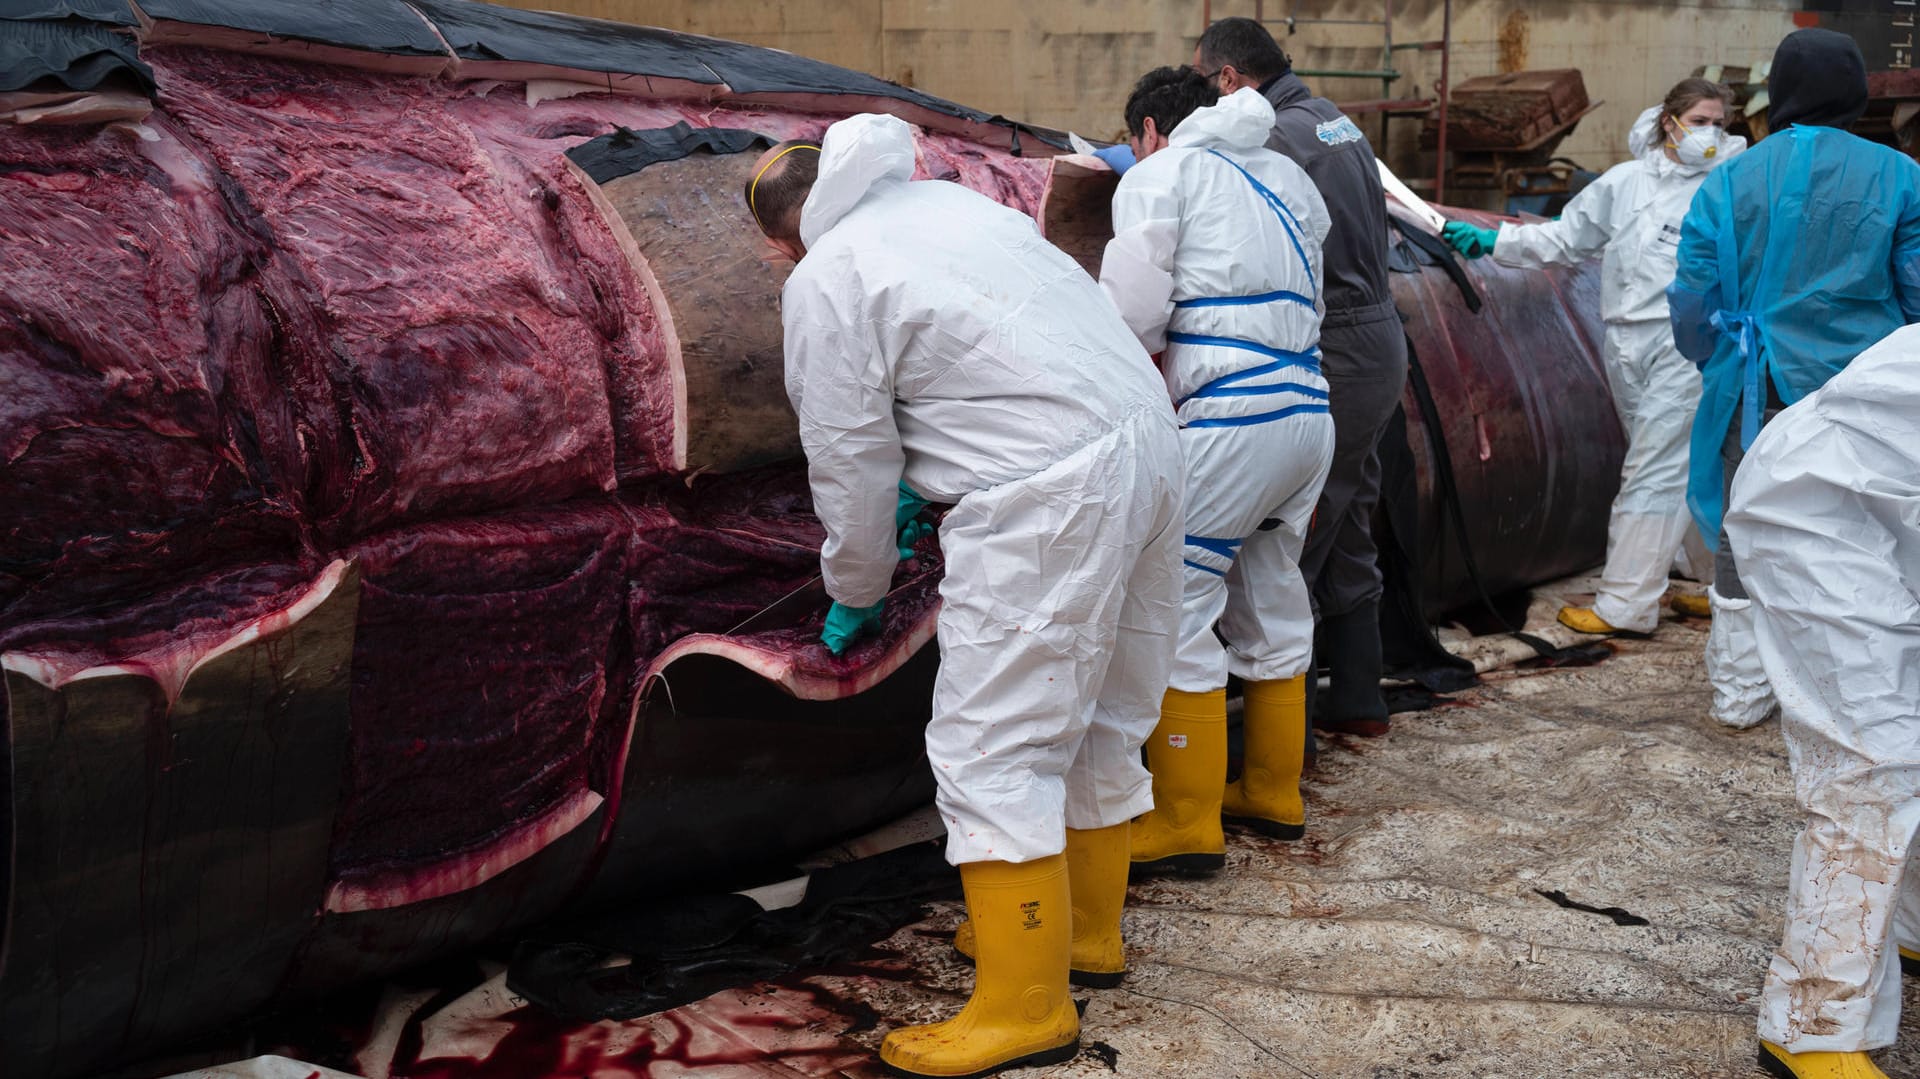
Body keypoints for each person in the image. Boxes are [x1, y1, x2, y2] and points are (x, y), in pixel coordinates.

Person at [744, 114, 1184, 1077]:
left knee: (995, 744)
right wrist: (929, 469)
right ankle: (1081, 937)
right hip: (1148, 444)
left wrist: (853, 586)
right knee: (1105, 710)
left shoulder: (827, 275)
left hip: (1045, 491)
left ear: (784, 239)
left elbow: (849, 460)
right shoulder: (955, 208)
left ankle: (1026, 1004)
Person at [1098, 67, 1333, 868]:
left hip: (1230, 416)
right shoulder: (1291, 177)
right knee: (1272, 590)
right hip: (1307, 410)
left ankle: (1185, 818)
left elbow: (1128, 317)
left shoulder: (1162, 174)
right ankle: (1273, 789)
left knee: (1179, 604)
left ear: (1151, 131)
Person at [1668, 27, 1920, 732]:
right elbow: (1918, 295)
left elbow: (1692, 295)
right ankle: (1864, 695)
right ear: (1856, 93)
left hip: (1759, 388)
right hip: (1865, 396)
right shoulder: (1901, 175)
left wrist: (1711, 359)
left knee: (1744, 532)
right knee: (1864, 535)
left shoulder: (1728, 178)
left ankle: (1742, 692)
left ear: (1777, 94)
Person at [1442, 78, 1742, 638]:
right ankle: (1714, 581)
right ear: (1668, 122)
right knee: (1679, 462)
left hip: (1690, 344)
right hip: (1624, 340)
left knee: (1653, 468)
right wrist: (1495, 243)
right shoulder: (1624, 184)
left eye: (1719, 123)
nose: (1712, 133)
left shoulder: (1726, 187)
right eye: (1701, 120)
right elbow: (1566, 239)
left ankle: (1627, 603)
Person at [1195, 17, 1409, 738]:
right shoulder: (1331, 120)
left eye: (1205, 85)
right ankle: (1359, 700)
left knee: (1295, 540)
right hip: (1380, 338)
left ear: (1229, 80)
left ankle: (1285, 740)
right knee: (1349, 521)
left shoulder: (1275, 140)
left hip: (1340, 344)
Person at [1724, 324, 1920, 1079]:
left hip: (1891, 507)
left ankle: (1908, 924)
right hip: (1817, 509)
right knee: (1875, 754)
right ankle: (1812, 1024)